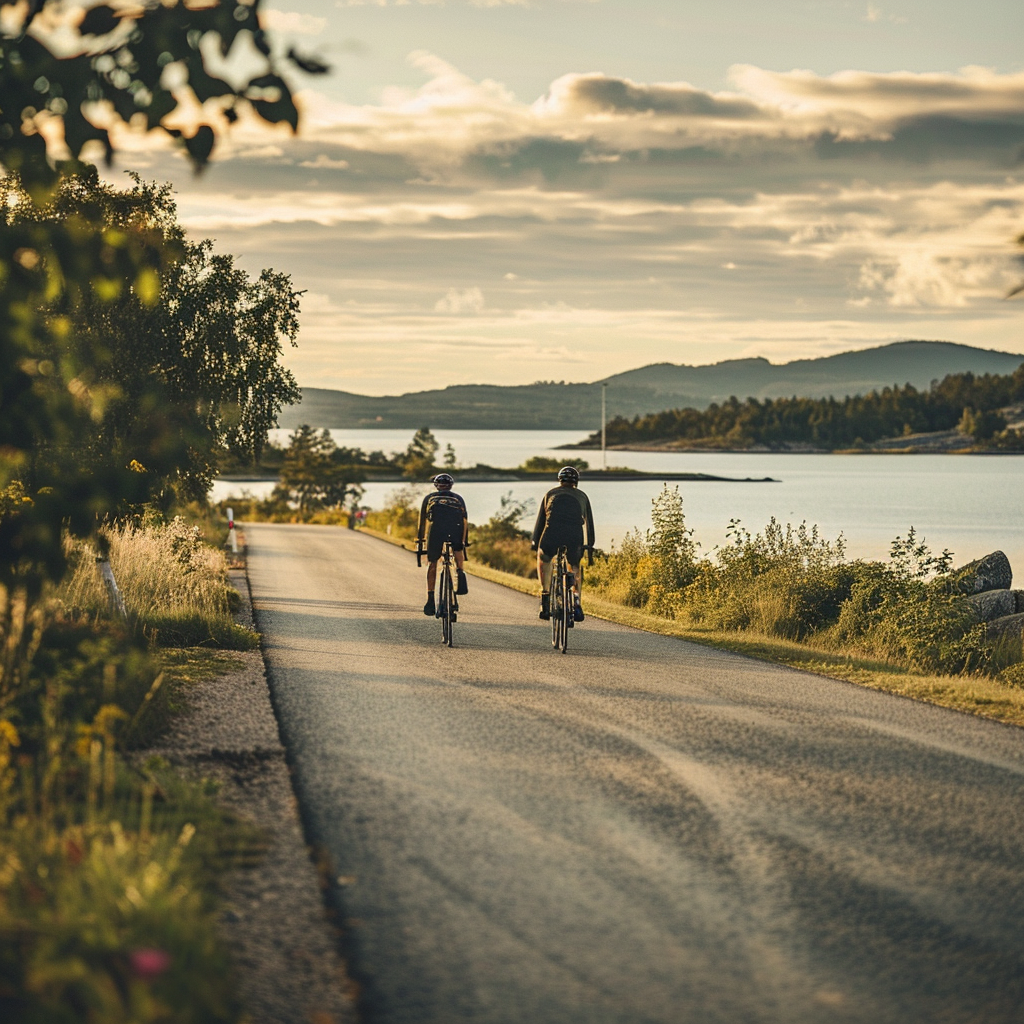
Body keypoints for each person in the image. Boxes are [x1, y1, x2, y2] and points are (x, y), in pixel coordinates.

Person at [531, 466, 595, 622]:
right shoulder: (582, 496)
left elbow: (541, 521)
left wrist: (535, 542)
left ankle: (545, 597)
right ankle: (576, 600)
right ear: (576, 482)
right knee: (574, 566)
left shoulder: (550, 494)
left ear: (560, 480)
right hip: (574, 536)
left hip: (551, 534)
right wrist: (589, 544)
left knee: (544, 559)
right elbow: (589, 525)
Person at [417, 473, 469, 617]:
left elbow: (422, 522)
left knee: (432, 563)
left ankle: (430, 599)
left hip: (436, 532)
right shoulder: (458, 498)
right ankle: (459, 571)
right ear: (451, 486)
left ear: (436, 486)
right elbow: (465, 520)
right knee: (457, 548)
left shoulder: (429, 498)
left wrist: (420, 540)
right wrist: (464, 541)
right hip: (456, 530)